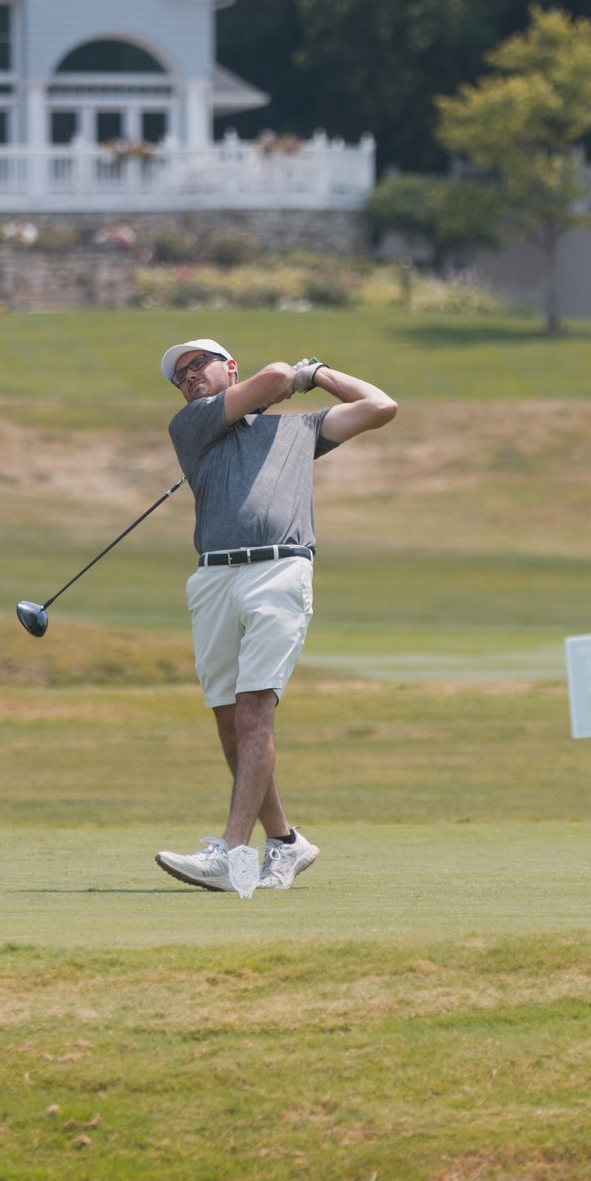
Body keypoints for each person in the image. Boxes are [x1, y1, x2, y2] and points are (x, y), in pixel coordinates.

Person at [151, 337, 397, 894]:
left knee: (254, 710)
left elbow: (381, 407)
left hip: (279, 570)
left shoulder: (300, 431)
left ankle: (231, 852)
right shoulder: (190, 426)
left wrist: (322, 372)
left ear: (227, 367)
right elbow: (275, 376)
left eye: (198, 365)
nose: (188, 377)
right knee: (227, 717)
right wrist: (296, 376)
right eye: (179, 375)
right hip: (213, 575)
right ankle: (286, 843)